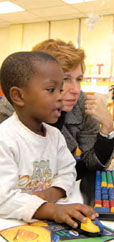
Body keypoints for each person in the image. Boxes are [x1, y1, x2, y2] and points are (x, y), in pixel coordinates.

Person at [0, 51, 98, 227]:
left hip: (46, 222)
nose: (60, 96)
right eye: (51, 90)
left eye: (60, 90)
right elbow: (3, 199)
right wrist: (52, 210)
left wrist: (53, 193)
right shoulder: (5, 139)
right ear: (18, 96)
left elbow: (68, 170)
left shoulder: (55, 136)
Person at [0, 39, 114, 179]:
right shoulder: (10, 107)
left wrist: (108, 127)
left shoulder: (82, 105)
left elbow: (93, 164)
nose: (76, 90)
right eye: (66, 79)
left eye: (79, 79)